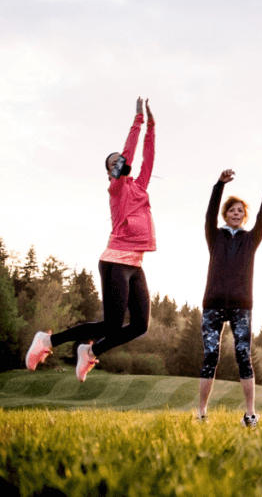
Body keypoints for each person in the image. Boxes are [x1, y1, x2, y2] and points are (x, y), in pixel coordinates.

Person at [26, 98, 156, 381]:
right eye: (113, 163)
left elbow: (148, 159)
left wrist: (152, 127)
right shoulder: (117, 189)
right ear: (111, 172)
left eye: (118, 162)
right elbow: (130, 155)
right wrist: (138, 122)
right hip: (115, 261)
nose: (118, 164)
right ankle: (47, 342)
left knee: (139, 325)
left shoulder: (140, 188)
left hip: (135, 263)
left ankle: (90, 352)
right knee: (111, 323)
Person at [197, 166, 262, 427]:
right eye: (232, 210)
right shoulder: (215, 236)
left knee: (243, 354)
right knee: (211, 355)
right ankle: (201, 413)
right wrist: (219, 185)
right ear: (226, 214)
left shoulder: (250, 239)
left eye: (240, 211)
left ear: (244, 217)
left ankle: (250, 414)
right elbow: (209, 214)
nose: (235, 213)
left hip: (241, 305)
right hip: (213, 304)